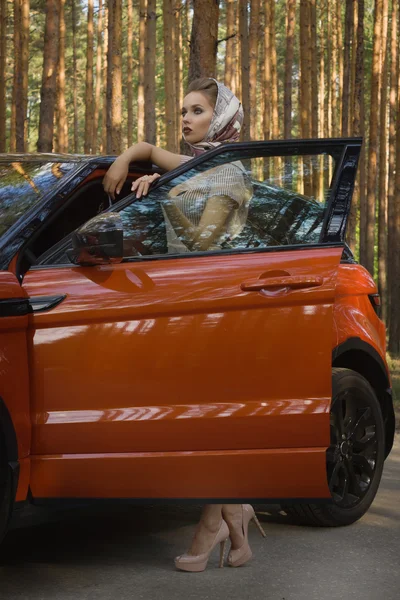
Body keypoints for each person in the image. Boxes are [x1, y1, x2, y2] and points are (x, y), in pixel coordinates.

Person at [103, 78, 265, 571]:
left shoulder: (229, 173)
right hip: (189, 307)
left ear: (218, 117)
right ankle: (235, 523)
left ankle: (211, 527)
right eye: (182, 111)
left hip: (221, 309)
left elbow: (202, 244)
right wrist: (126, 159)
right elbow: (151, 149)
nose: (186, 119)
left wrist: (162, 193)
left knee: (212, 424)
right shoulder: (202, 163)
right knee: (204, 422)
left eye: (196, 110)